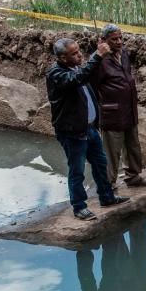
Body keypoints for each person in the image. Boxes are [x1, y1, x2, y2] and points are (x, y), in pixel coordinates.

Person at [46, 38, 130, 221]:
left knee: (101, 164)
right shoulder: (56, 74)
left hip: (90, 129)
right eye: (74, 53)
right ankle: (79, 207)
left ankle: (107, 197)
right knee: (76, 170)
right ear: (62, 58)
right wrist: (98, 56)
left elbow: (86, 79)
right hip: (73, 132)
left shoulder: (76, 68)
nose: (79, 55)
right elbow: (77, 79)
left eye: (79, 51)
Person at [88, 25, 146, 189]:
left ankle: (133, 176)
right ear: (103, 41)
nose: (119, 42)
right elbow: (93, 89)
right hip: (111, 111)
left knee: (132, 145)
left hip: (129, 108)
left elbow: (127, 75)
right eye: (114, 39)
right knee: (111, 151)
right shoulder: (98, 60)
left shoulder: (123, 53)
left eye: (120, 38)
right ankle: (109, 183)